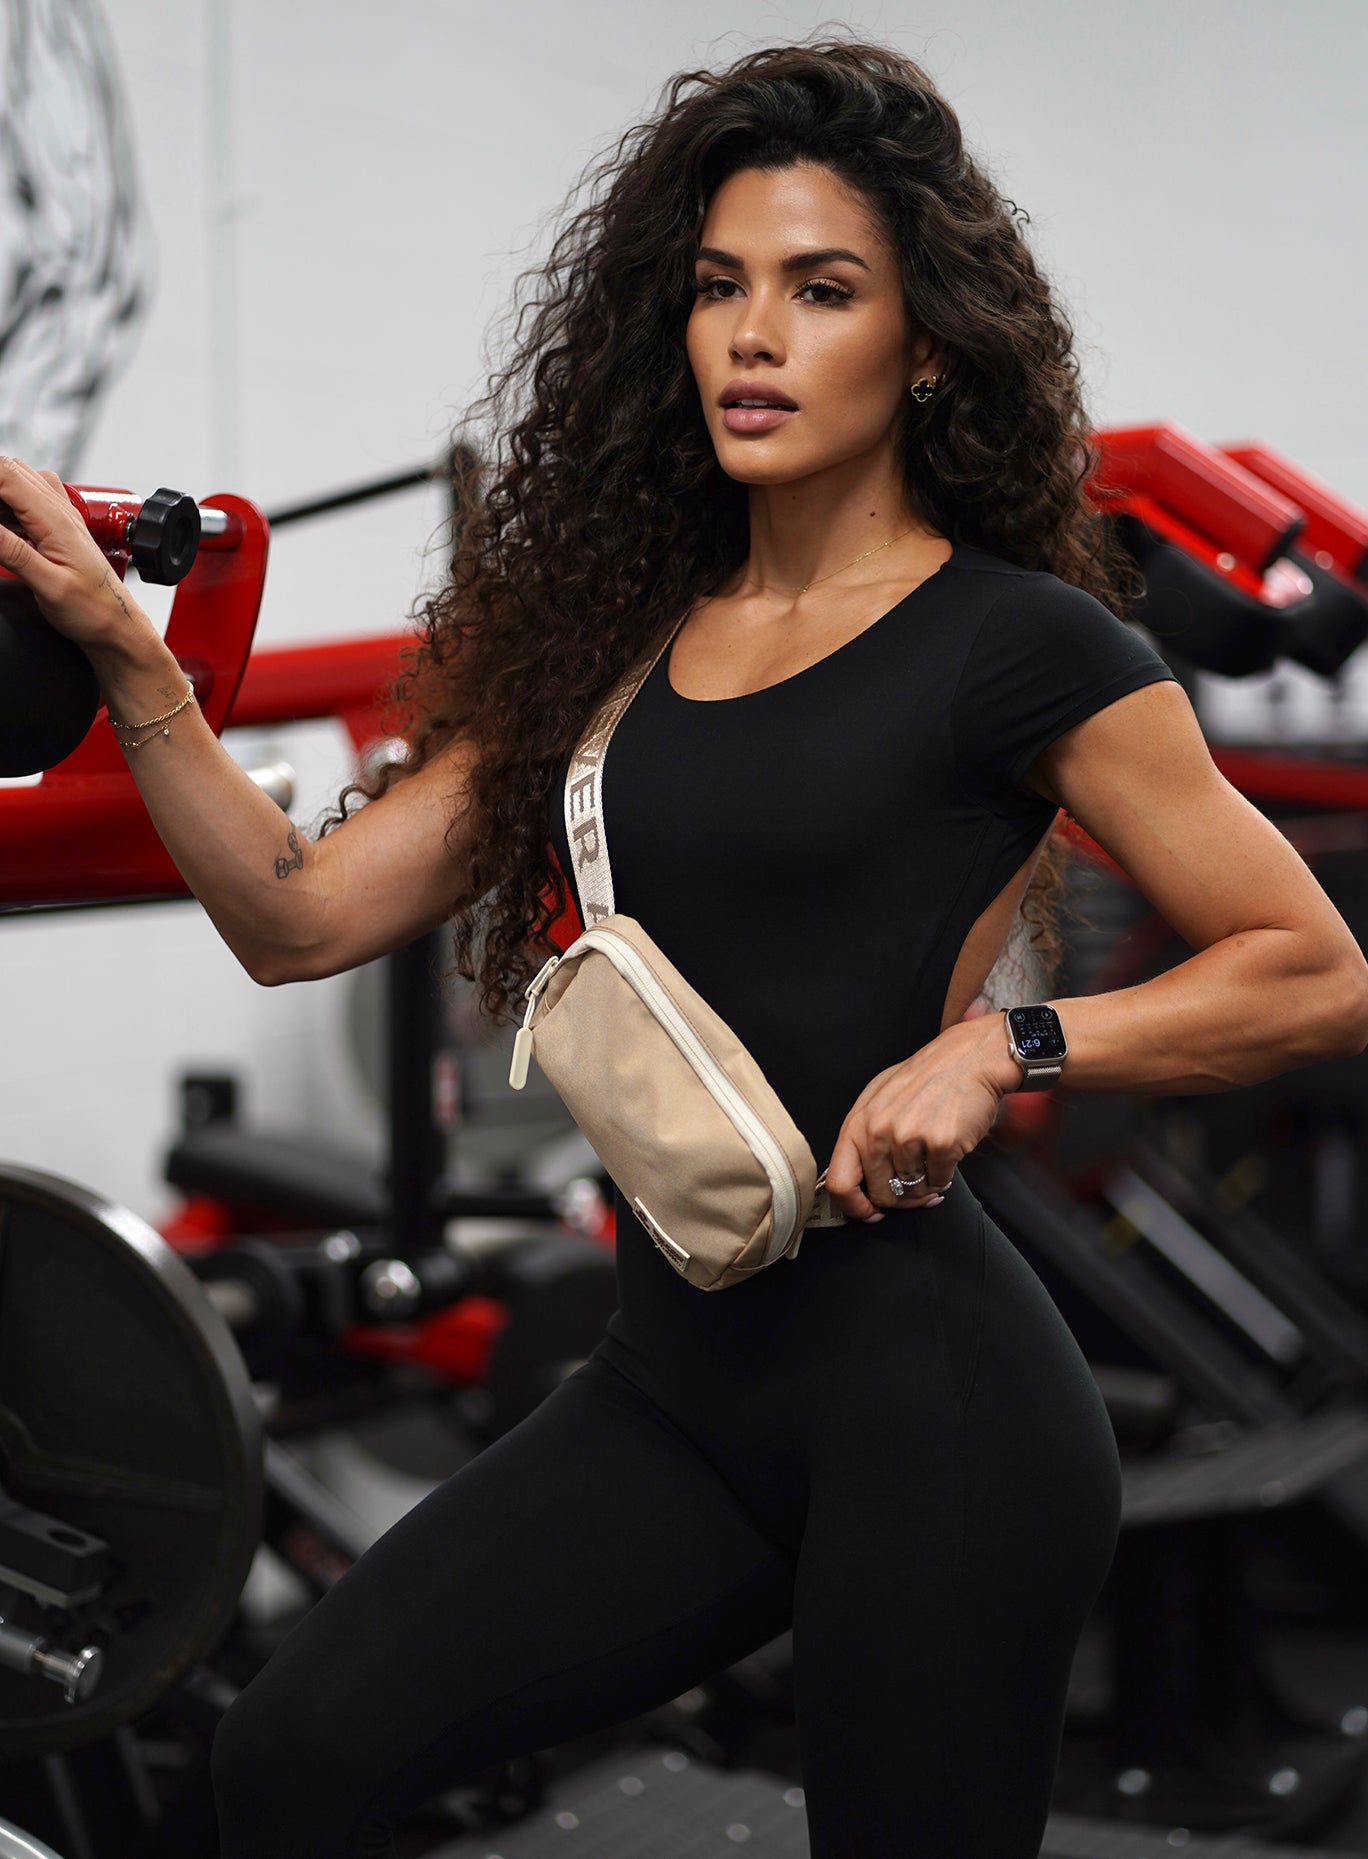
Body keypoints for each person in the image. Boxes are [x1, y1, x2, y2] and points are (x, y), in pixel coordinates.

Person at [2, 37, 1365, 1859]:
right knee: (294, 1761)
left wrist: (1004, 1054)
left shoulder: (1021, 644)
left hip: (941, 1417)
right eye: (721, 288)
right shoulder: (609, 647)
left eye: (821, 291)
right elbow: (297, 916)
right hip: (672, 1393)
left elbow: (1314, 962)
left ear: (928, 342)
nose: (753, 335)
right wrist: (135, 663)